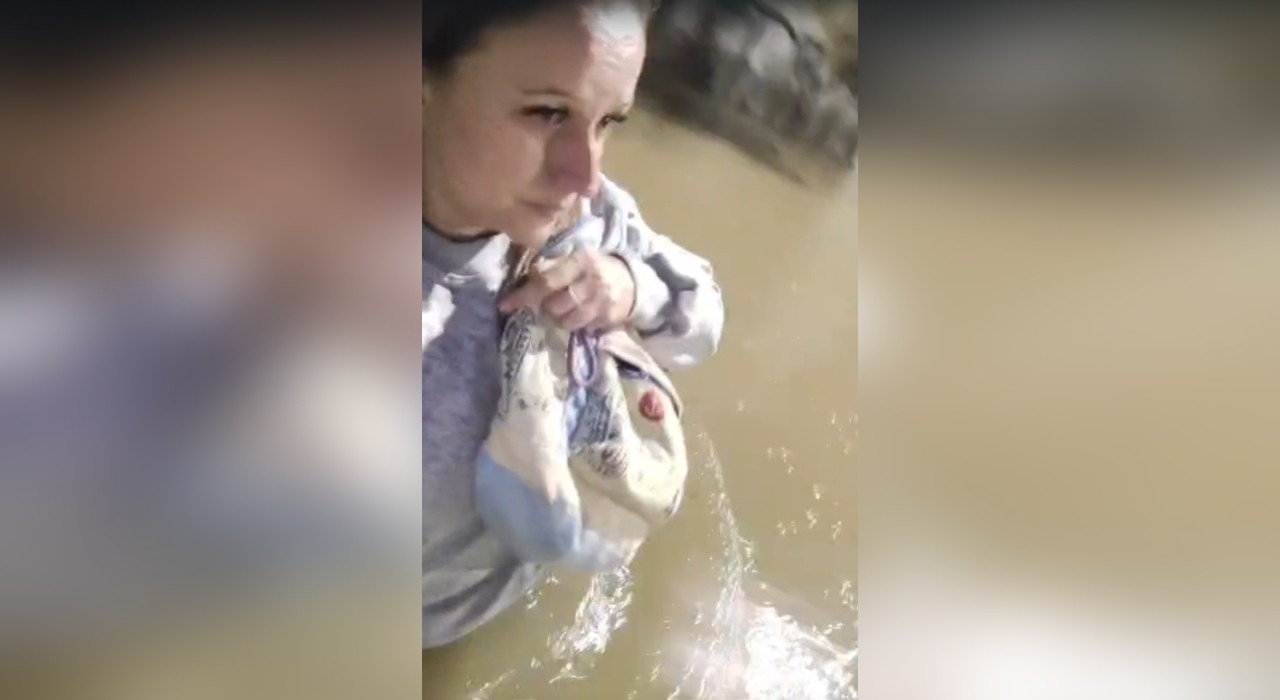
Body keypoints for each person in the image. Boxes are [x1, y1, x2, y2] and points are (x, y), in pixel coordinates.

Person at [422, 0, 726, 648]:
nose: (583, 175)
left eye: (608, 121)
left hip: (480, 612)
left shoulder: (588, 225)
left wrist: (626, 283)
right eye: (547, 112)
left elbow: (703, 314)